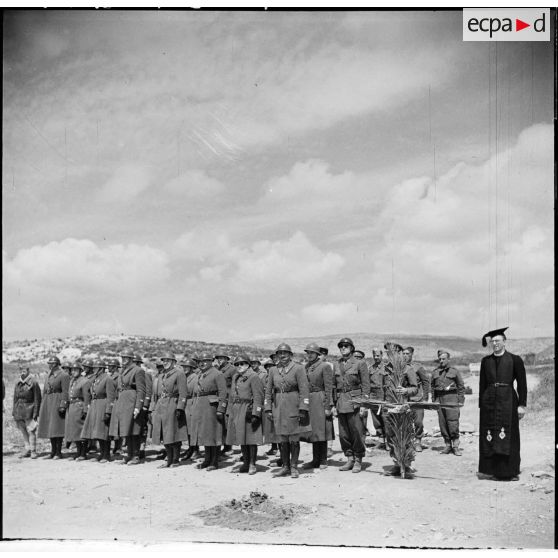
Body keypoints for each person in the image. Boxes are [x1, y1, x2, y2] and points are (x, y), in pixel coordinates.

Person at [478, 327, 527, 481]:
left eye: (498, 341)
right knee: (490, 434)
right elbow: (482, 384)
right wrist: (482, 404)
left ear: (505, 342)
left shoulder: (515, 360)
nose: (495, 344)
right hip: (489, 402)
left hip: (508, 401)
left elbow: (522, 384)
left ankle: (509, 472)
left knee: (509, 435)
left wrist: (522, 405)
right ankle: (491, 471)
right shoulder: (486, 361)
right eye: (492, 341)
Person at [264, 343, 311, 479]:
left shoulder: (298, 368)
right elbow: (268, 391)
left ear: (290, 355)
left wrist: (303, 408)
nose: (282, 356)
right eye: (280, 353)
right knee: (282, 438)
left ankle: (294, 466)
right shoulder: (273, 370)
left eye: (285, 353)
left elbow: (304, 390)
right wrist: (268, 408)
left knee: (294, 438)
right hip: (278, 406)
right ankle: (285, 466)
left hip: (293, 405)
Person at [332, 338, 370, 473]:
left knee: (357, 432)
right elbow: (333, 386)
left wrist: (364, 404)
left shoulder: (360, 363)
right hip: (341, 401)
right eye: (341, 346)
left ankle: (358, 459)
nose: (343, 348)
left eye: (346, 346)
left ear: (352, 348)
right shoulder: (336, 364)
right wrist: (333, 404)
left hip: (355, 401)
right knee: (343, 433)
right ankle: (349, 458)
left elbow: (366, 385)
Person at [382, 342, 419, 477]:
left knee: (404, 434)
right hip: (388, 407)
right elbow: (382, 388)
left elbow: (415, 388)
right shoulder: (385, 369)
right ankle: (397, 463)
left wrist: (405, 390)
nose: (390, 355)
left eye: (393, 352)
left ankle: (406, 464)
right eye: (388, 353)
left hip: (402, 407)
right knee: (391, 436)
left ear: (398, 353)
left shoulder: (407, 369)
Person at [226, 355, 264, 474]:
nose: (239, 366)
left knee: (251, 438)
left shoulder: (253, 377)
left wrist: (256, 413)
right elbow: (231, 396)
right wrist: (229, 412)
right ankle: (245, 463)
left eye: (242, 364)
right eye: (237, 364)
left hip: (248, 408)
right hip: (237, 409)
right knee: (241, 437)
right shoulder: (235, 377)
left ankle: (252, 464)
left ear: (248, 364)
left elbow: (258, 396)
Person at [190, 352, 228, 471]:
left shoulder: (217, 374)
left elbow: (223, 393)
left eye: (205, 361)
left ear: (211, 361)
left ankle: (214, 461)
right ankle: (207, 459)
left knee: (213, 434)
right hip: (201, 406)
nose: (202, 363)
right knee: (205, 434)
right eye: (200, 361)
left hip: (212, 407)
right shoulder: (200, 374)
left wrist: (221, 409)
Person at [109, 347, 146, 465]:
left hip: (132, 400)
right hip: (123, 401)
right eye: (123, 357)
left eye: (126, 358)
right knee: (126, 429)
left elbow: (141, 390)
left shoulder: (137, 370)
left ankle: (135, 455)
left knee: (134, 429)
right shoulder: (123, 370)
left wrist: (138, 406)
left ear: (131, 359)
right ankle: (129, 454)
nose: (124, 360)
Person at [151, 351, 188, 468]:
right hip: (161, 405)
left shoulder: (179, 373)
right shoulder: (162, 375)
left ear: (173, 362)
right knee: (163, 433)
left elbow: (183, 393)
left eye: (168, 360)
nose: (165, 362)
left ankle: (175, 459)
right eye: (164, 360)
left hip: (173, 404)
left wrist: (180, 408)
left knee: (173, 433)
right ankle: (169, 459)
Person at [301, 343, 334, 470]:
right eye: (307, 353)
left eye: (312, 353)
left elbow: (329, 387)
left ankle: (323, 459)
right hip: (310, 400)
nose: (309, 355)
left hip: (320, 399)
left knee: (322, 430)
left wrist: (328, 406)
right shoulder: (306, 367)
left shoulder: (324, 366)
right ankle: (315, 459)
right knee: (313, 431)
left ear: (317, 354)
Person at [81, 358, 116, 463]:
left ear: (101, 369)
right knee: (97, 432)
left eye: (96, 368)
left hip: (103, 404)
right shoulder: (96, 379)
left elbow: (111, 396)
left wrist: (108, 411)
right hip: (95, 405)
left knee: (103, 431)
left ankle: (106, 455)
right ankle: (102, 453)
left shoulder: (108, 379)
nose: (94, 369)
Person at [431, 351, 465, 455]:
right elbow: (432, 388)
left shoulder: (454, 371)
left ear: (448, 359)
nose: (441, 361)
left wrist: (460, 400)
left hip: (452, 399)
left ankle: (455, 446)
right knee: (443, 424)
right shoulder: (435, 372)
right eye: (440, 359)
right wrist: (434, 401)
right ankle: (447, 445)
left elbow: (461, 386)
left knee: (453, 423)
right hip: (440, 400)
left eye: (443, 359)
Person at [37, 355, 70, 459]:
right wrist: (43, 403)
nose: (49, 365)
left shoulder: (63, 375)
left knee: (57, 427)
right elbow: (45, 390)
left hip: (57, 400)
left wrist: (63, 405)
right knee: (50, 427)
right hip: (48, 401)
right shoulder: (48, 375)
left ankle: (58, 452)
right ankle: (53, 451)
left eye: (50, 363)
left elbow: (65, 391)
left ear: (55, 364)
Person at [402, 346, 430, 452]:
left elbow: (426, 382)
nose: (405, 356)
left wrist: (426, 397)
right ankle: (408, 442)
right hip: (405, 399)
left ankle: (418, 441)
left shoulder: (417, 367)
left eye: (407, 354)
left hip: (417, 398)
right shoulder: (400, 367)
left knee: (418, 422)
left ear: (412, 355)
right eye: (403, 353)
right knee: (406, 422)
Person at [12, 364, 42, 459]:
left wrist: (36, 413)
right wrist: (14, 411)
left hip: (30, 409)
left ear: (28, 370)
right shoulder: (17, 382)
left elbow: (38, 399)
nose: (23, 371)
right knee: (23, 431)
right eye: (21, 369)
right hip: (19, 410)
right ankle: (27, 449)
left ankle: (33, 450)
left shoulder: (34, 382)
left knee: (31, 430)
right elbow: (15, 398)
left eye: (25, 369)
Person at [65, 360, 91, 461]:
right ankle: (78, 452)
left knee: (81, 431)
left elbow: (87, 397)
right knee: (74, 431)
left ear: (80, 370)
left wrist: (85, 410)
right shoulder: (72, 381)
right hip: (72, 407)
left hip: (79, 407)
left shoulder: (85, 381)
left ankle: (83, 453)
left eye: (76, 370)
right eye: (72, 370)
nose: (73, 371)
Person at [215, 351, 235, 456]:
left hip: (229, 398)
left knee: (228, 423)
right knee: (221, 422)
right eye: (218, 358)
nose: (220, 359)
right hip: (220, 397)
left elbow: (235, 383)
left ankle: (229, 447)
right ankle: (224, 445)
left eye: (222, 358)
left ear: (227, 359)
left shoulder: (232, 369)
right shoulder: (218, 370)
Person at [367, 348, 388, 448]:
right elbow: (367, 383)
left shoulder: (386, 368)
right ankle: (381, 440)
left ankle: (389, 442)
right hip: (373, 396)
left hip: (383, 395)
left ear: (382, 355)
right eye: (374, 355)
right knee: (376, 419)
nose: (376, 357)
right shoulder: (370, 368)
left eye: (378, 355)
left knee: (385, 418)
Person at [180, 358, 200, 461]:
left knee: (192, 429)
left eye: (187, 367)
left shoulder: (195, 378)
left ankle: (195, 450)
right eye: (183, 366)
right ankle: (190, 448)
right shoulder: (183, 377)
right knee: (187, 429)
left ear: (192, 368)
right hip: (184, 404)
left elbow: (196, 392)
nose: (185, 368)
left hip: (192, 403)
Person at [260, 358, 280, 458]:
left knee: (277, 427)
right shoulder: (265, 377)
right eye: (267, 366)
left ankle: (280, 449)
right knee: (270, 428)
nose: (268, 368)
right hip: (267, 403)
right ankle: (273, 447)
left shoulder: (277, 375)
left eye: (270, 366)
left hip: (275, 402)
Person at [106, 357, 123, 457]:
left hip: (117, 401)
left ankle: (118, 447)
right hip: (110, 401)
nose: (109, 368)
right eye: (109, 366)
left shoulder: (118, 377)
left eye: (111, 366)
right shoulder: (109, 377)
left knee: (117, 426)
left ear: (116, 367)